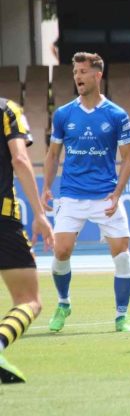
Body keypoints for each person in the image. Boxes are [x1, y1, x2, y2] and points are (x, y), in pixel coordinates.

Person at [41, 52, 130, 333]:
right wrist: (46, 187)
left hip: (105, 195)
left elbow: (129, 158)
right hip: (71, 194)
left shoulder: (116, 115)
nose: (78, 77)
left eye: (83, 72)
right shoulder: (63, 114)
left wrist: (117, 194)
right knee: (61, 251)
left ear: (98, 75)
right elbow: (53, 154)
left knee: (122, 253)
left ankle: (122, 316)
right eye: (75, 73)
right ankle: (63, 303)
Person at [0, 98, 54, 383]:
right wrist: (40, 214)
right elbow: (19, 159)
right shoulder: (8, 110)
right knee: (29, 300)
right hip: (3, 218)